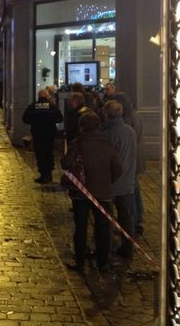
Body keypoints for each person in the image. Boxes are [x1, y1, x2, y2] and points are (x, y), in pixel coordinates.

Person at [62, 112, 122, 273]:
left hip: (80, 193)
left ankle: (80, 261)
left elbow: (66, 163)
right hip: (103, 193)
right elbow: (117, 170)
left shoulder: (77, 144)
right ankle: (103, 262)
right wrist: (106, 182)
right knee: (103, 229)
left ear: (81, 126)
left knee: (80, 228)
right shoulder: (107, 145)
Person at [102, 99, 137, 259]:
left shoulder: (108, 134)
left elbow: (106, 161)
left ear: (106, 114)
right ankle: (128, 246)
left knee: (106, 218)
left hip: (112, 183)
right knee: (126, 217)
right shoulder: (130, 131)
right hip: (128, 181)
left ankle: (106, 247)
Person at [112, 92, 146, 234]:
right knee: (135, 188)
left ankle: (133, 220)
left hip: (130, 159)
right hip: (137, 158)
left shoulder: (127, 120)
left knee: (130, 192)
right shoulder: (136, 115)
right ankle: (139, 218)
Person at [22, 89, 63, 183]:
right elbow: (60, 118)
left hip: (38, 134)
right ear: (47, 96)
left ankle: (43, 174)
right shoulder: (52, 106)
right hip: (50, 134)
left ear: (38, 96)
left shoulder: (33, 106)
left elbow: (25, 119)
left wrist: (35, 121)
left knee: (40, 154)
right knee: (49, 153)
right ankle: (49, 174)